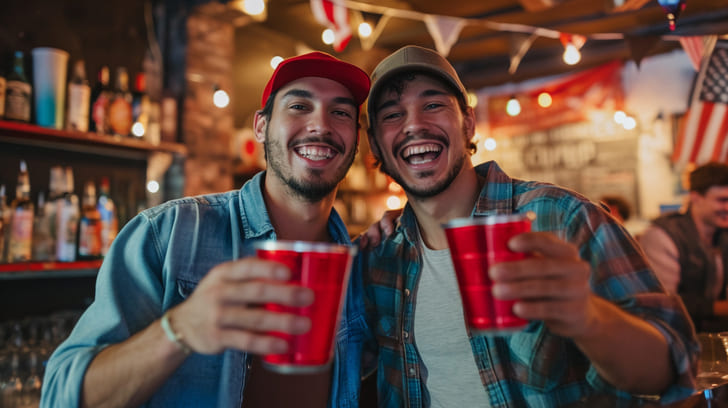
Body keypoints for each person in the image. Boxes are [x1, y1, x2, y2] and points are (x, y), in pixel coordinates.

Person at [358, 45, 699, 407]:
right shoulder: (379, 256)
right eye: (393, 115)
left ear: (468, 122)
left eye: (433, 105)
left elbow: (671, 369)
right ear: (376, 142)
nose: (414, 124)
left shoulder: (561, 218)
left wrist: (589, 318)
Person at [40, 52, 371, 408]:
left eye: (340, 113)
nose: (321, 125)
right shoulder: (167, 234)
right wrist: (178, 331)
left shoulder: (362, 267)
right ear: (261, 127)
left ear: (355, 137)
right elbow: (60, 397)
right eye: (299, 106)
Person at [639, 162, 728, 333]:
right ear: (696, 198)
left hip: (713, 337)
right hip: (673, 340)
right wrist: (720, 308)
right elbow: (662, 302)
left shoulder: (722, 233)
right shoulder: (662, 235)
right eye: (722, 200)